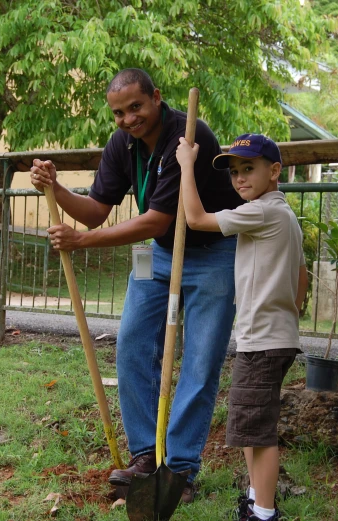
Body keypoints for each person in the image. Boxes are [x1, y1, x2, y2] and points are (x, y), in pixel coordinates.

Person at [29, 69, 243, 503]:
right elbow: (93, 211)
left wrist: (81, 241)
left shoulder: (189, 134)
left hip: (213, 253)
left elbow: (158, 218)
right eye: (119, 113)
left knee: (200, 362)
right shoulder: (120, 144)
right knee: (130, 343)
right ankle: (146, 455)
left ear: (156, 98)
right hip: (161, 255)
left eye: (136, 107)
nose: (128, 118)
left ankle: (180, 469)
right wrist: (55, 189)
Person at [176, 133, 309, 521]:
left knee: (259, 432)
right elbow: (301, 276)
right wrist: (286, 317)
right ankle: (255, 500)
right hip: (275, 336)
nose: (239, 179)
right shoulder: (284, 214)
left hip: (262, 340)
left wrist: (186, 165)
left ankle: (263, 514)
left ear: (275, 171)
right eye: (234, 172)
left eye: (248, 169)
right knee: (251, 425)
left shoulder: (263, 211)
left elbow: (196, 219)